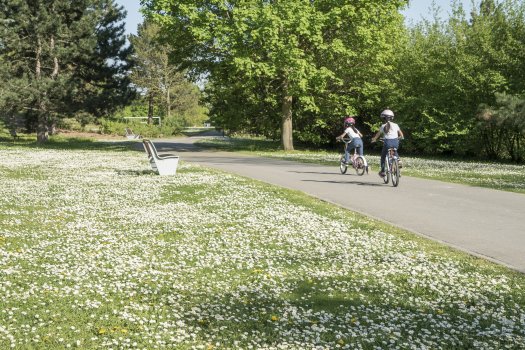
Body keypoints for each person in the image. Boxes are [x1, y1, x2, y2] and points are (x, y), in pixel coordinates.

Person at [371, 109, 404, 177]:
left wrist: (374, 139)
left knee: (383, 156)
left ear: (383, 118)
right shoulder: (396, 125)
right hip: (395, 142)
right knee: (394, 150)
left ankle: (383, 171)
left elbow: (378, 134)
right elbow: (401, 135)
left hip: (387, 142)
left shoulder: (383, 126)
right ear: (392, 117)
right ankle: (398, 160)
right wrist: (400, 137)